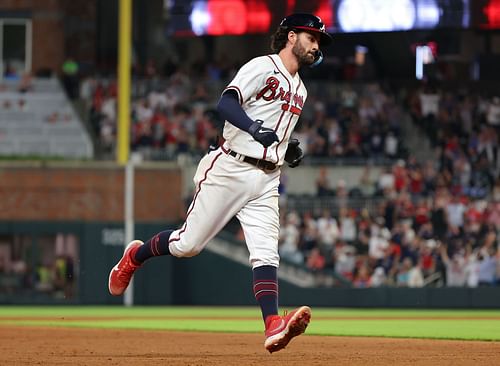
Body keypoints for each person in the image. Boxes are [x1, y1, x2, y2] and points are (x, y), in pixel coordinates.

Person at [108, 13, 332, 353]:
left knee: (265, 252)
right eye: (311, 37)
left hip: (268, 177)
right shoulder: (262, 66)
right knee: (188, 245)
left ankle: (273, 324)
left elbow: (277, 132)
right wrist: (254, 128)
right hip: (231, 167)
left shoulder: (300, 88)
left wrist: (289, 149)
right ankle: (135, 256)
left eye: (318, 40)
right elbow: (226, 103)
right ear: (290, 37)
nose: (316, 45)